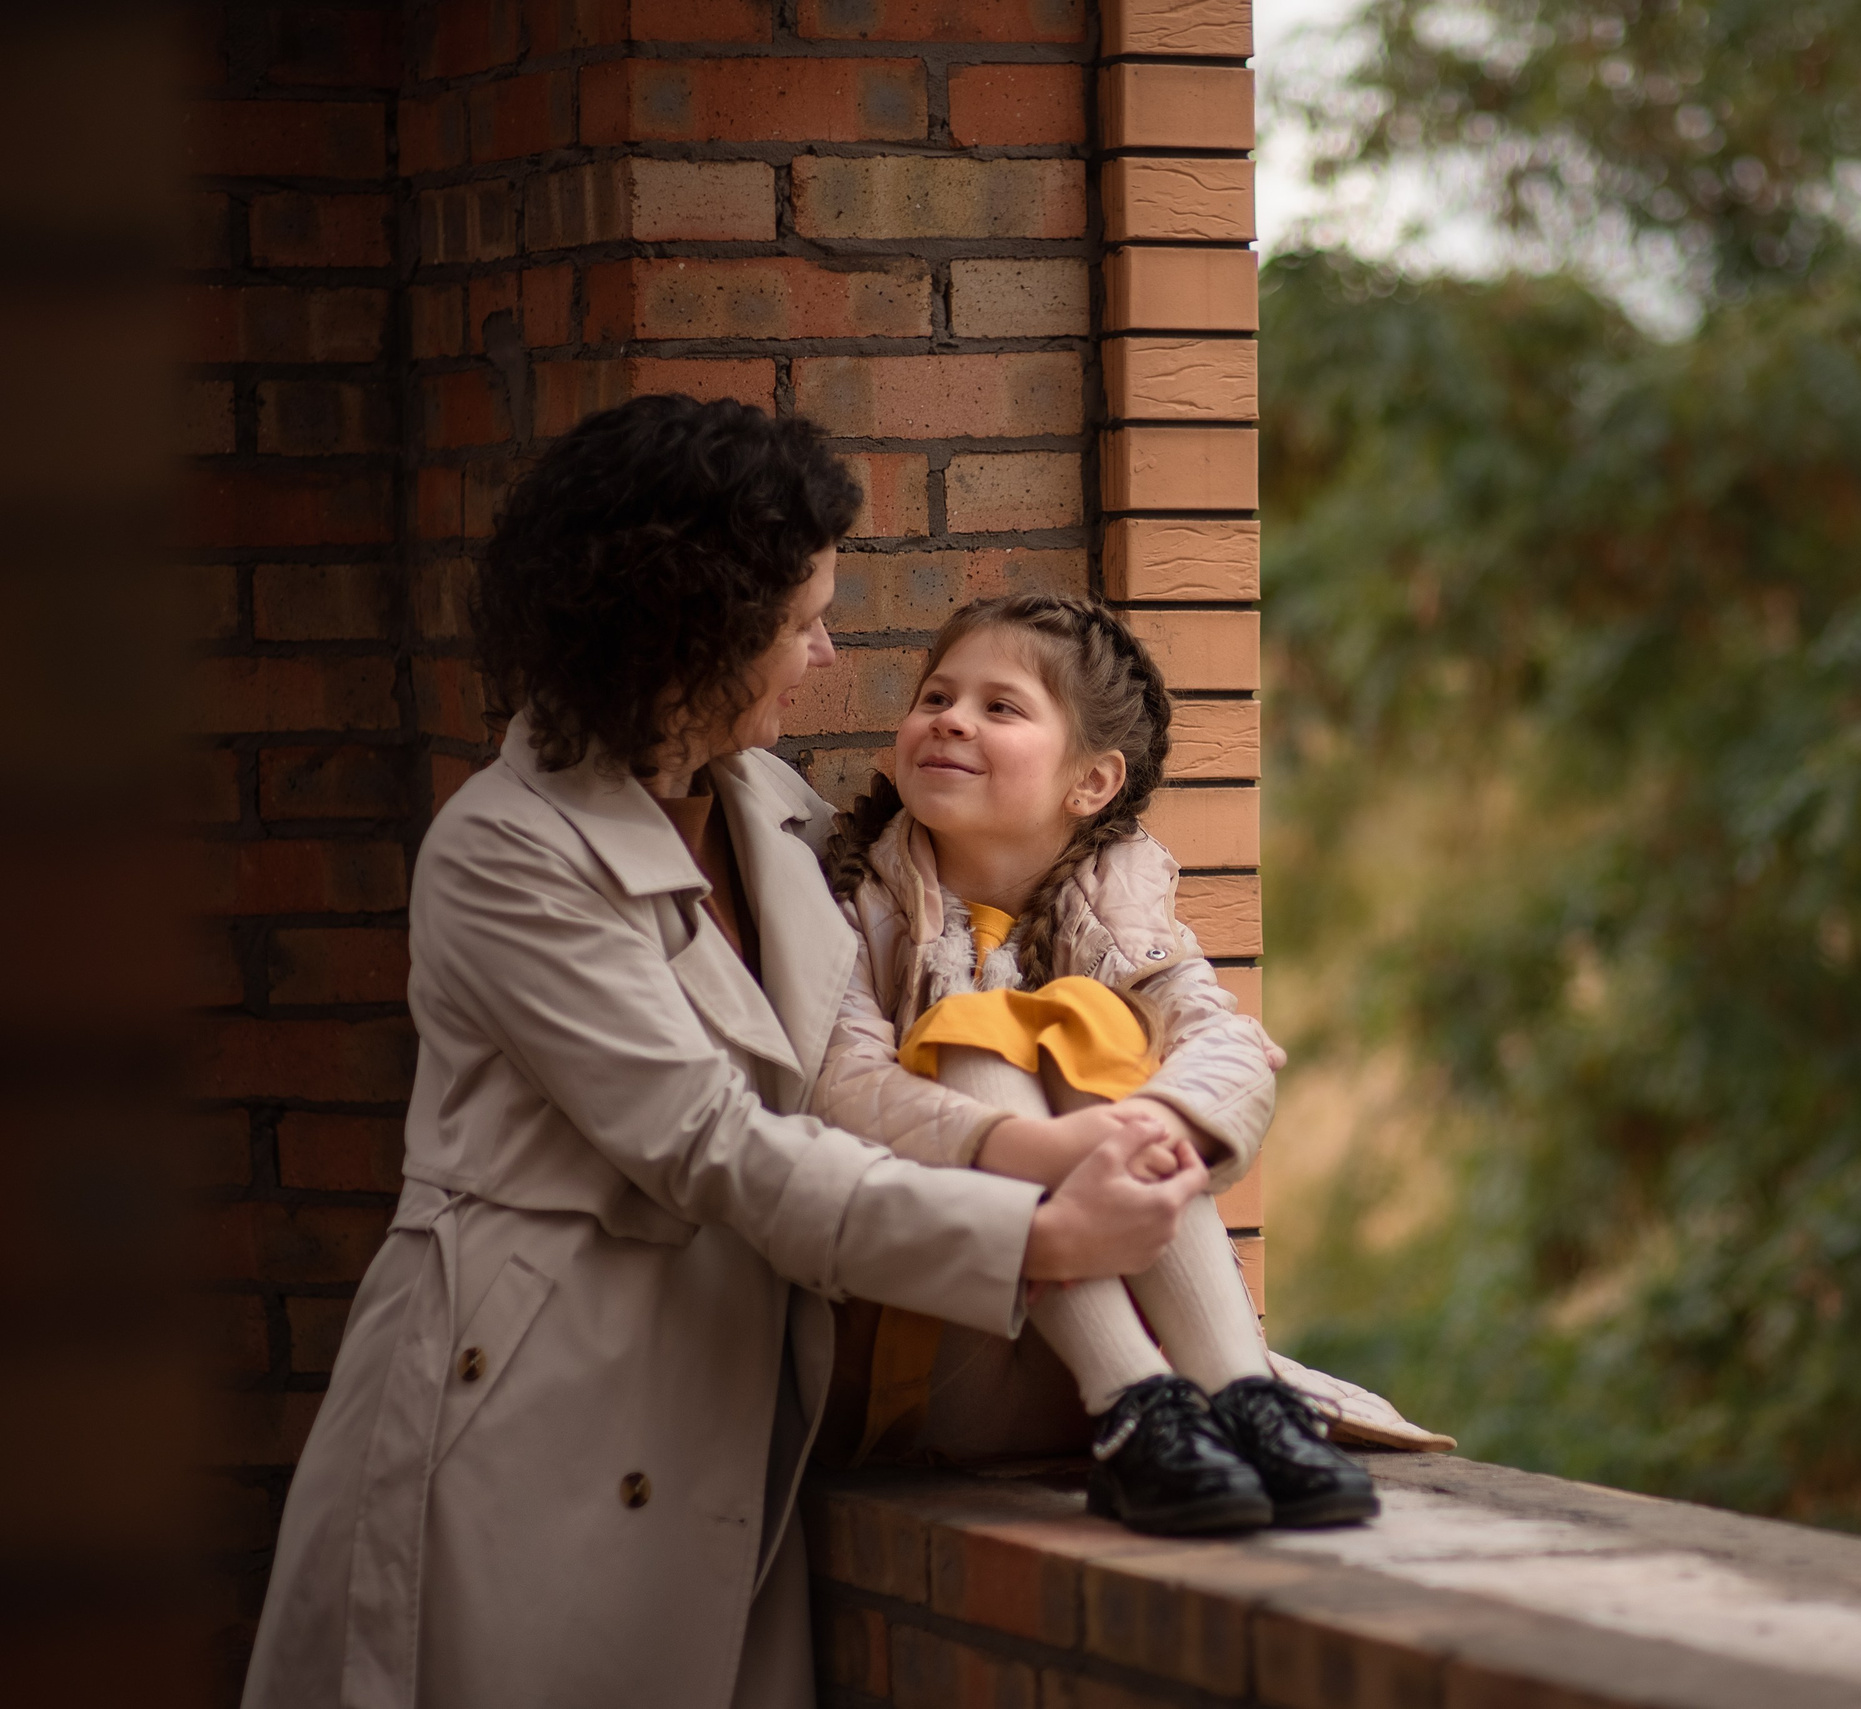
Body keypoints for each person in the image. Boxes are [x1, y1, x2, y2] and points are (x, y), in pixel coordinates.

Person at [240, 398, 1205, 1709]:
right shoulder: (504, 850)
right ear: (685, 626)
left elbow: (853, 1063)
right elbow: (714, 1147)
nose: (823, 654)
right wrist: (1033, 1237)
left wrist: (1046, 1136)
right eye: (800, 617)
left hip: (727, 1411)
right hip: (520, 1429)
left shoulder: (777, 811)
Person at [814, 595, 1378, 1534]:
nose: (951, 718)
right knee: (985, 1025)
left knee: (1097, 1025)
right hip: (934, 1349)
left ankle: (1236, 1393)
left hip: (1139, 1376)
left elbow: (1231, 1040)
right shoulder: (848, 905)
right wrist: (1039, 1146)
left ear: (1092, 781)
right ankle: (1133, 1403)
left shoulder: (1124, 907)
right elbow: (844, 1088)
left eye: (1001, 707)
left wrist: (1159, 1123)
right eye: (937, 696)